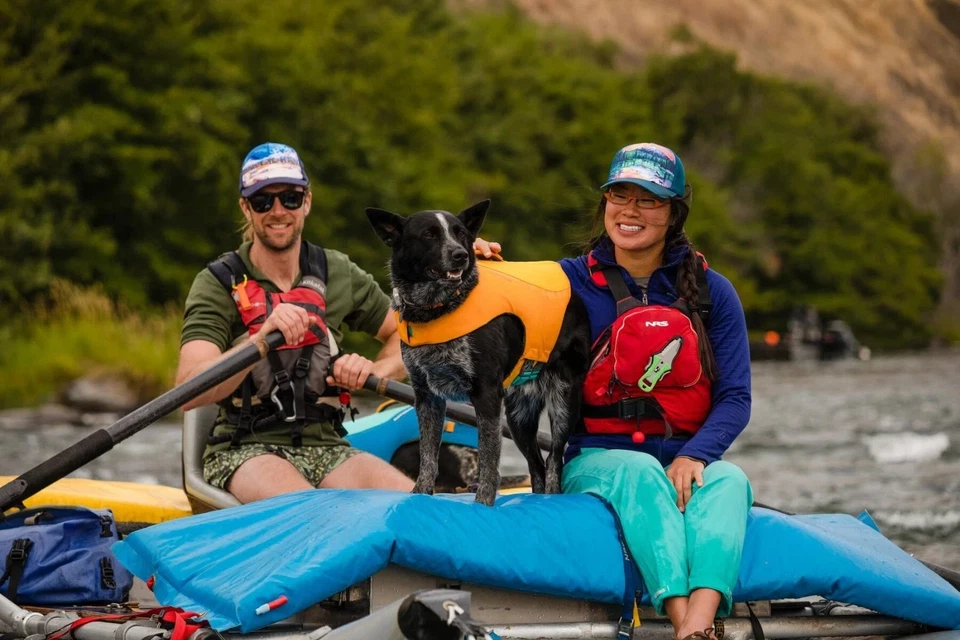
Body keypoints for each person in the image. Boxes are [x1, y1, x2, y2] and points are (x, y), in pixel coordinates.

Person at [476, 143, 752, 640]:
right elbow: (496, 326)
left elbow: (735, 398)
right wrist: (477, 271)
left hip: (684, 460)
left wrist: (696, 457)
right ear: (604, 204)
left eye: (648, 199)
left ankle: (700, 623)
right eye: (619, 196)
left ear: (673, 213)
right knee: (641, 471)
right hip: (596, 462)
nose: (630, 210)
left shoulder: (714, 292)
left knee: (730, 480)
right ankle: (681, 621)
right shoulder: (562, 283)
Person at [176, 142, 413, 503]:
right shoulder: (217, 282)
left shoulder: (337, 271)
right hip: (243, 450)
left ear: (306, 202)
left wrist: (376, 370)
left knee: (417, 507)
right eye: (262, 201)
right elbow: (188, 390)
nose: (277, 211)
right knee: (310, 513)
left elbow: (407, 333)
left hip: (329, 447)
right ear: (246, 207)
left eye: (289, 197)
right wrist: (259, 339)